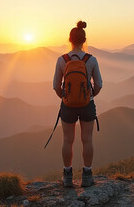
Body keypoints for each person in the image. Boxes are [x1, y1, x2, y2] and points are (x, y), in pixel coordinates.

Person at [53, 20, 103, 187]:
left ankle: (67, 176)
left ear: (70, 39)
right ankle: (87, 176)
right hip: (87, 105)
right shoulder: (91, 60)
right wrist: (90, 96)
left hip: (68, 106)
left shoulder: (62, 60)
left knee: (67, 140)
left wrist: (65, 97)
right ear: (84, 40)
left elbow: (55, 86)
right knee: (87, 140)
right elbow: (99, 84)